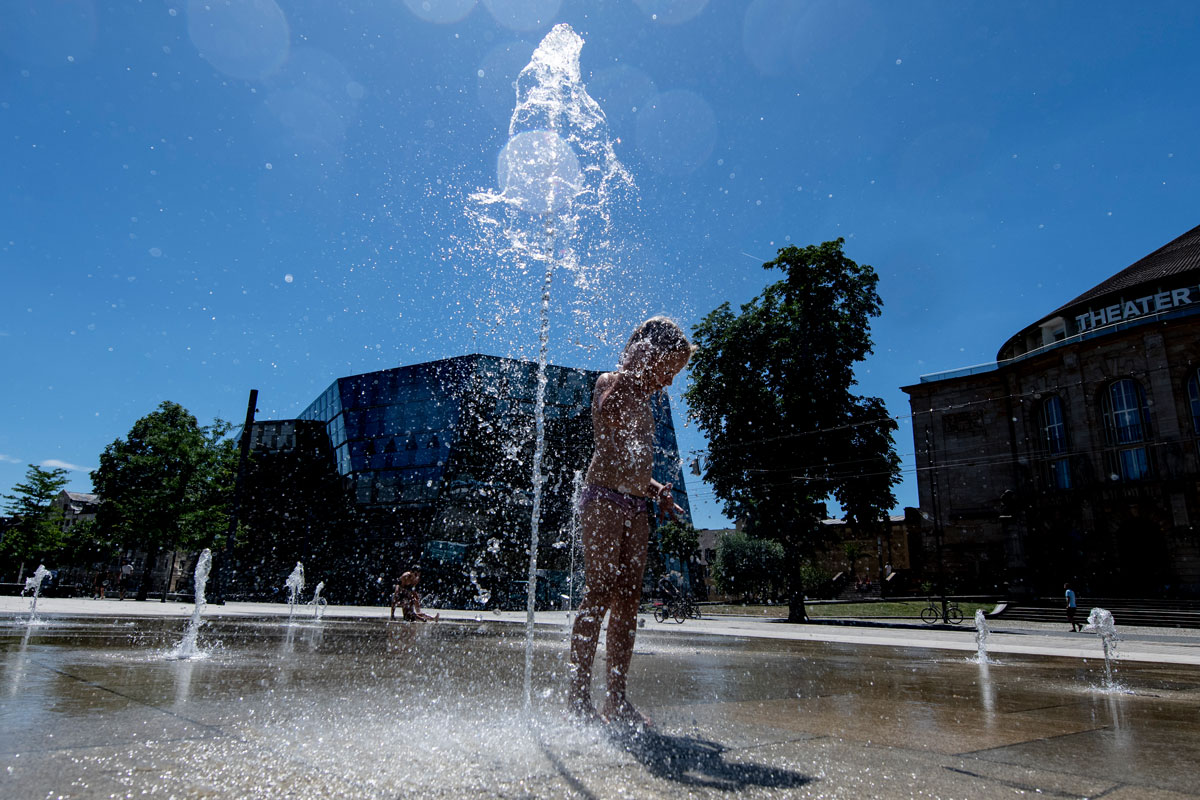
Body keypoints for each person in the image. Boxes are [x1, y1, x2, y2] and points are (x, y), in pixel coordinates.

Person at [569, 317, 693, 726]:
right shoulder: (611, 382)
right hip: (603, 498)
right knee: (600, 589)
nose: (669, 381)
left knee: (628, 599)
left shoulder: (647, 402)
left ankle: (616, 699)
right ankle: (577, 697)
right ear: (647, 356)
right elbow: (608, 414)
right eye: (667, 370)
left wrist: (657, 490)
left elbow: (634, 466)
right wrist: (630, 370)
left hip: (637, 505)